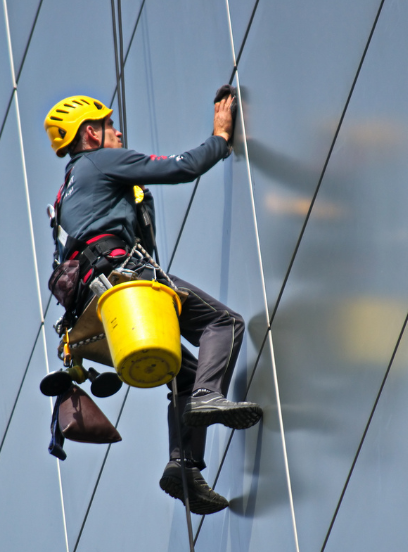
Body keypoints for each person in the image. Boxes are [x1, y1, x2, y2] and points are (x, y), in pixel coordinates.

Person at [42, 93, 263, 514]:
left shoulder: (65, 193)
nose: (118, 132)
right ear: (91, 133)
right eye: (110, 125)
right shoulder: (99, 162)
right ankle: (207, 397)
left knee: (186, 371)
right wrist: (220, 138)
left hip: (95, 309)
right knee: (225, 324)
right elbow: (181, 167)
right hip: (124, 280)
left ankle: (183, 468)